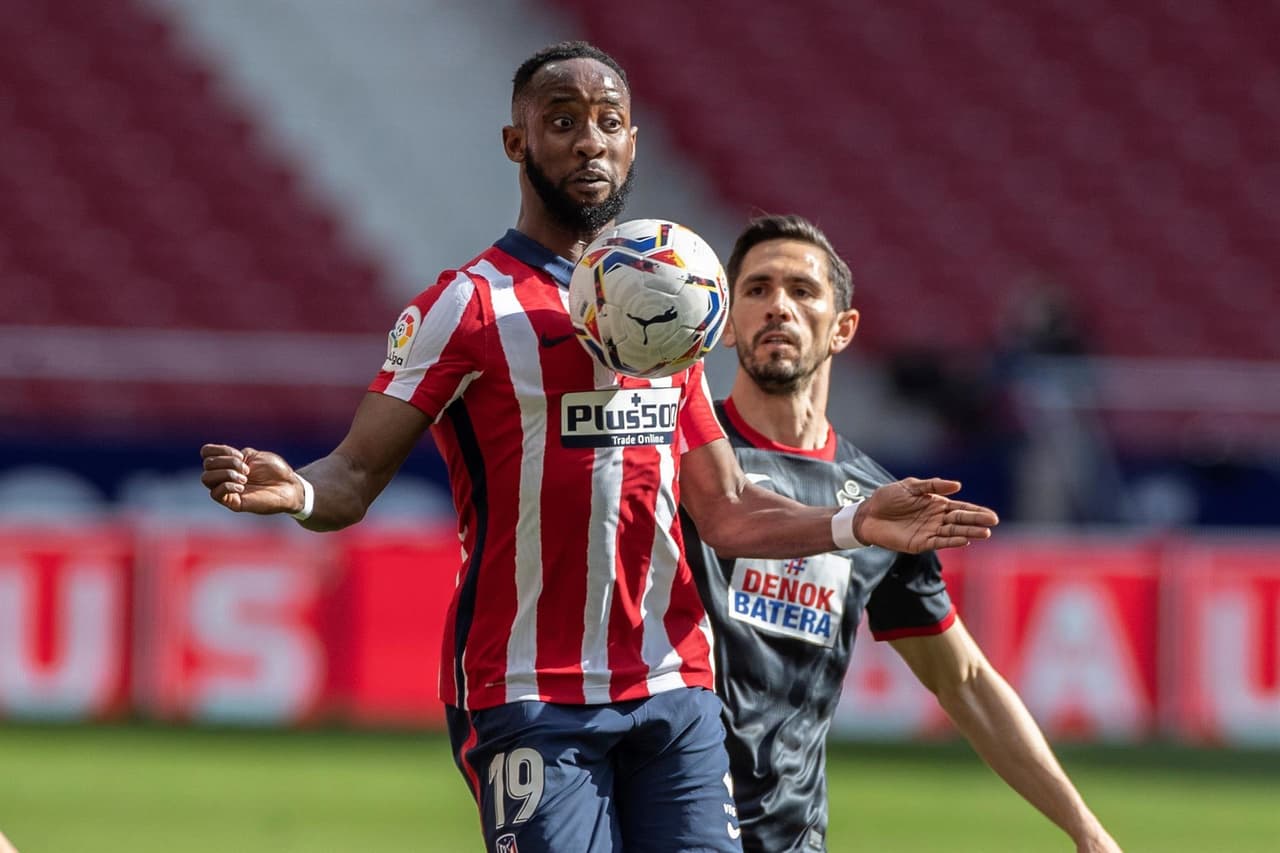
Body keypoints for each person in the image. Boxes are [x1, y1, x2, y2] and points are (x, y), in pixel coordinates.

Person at [198, 43, 998, 853]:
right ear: (517, 144)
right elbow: (355, 473)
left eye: (609, 123)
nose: (590, 142)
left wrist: (856, 519)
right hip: (527, 692)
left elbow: (723, 507)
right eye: (562, 121)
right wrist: (297, 491)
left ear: (633, 143)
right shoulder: (469, 307)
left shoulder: (677, 303)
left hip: (675, 682)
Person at [680, 214, 1122, 853]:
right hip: (670, 820)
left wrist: (1086, 830)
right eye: (757, 289)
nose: (778, 306)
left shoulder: (879, 504)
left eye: (803, 291)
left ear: (843, 329)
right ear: (725, 322)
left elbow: (964, 680)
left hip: (790, 837)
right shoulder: (678, 459)